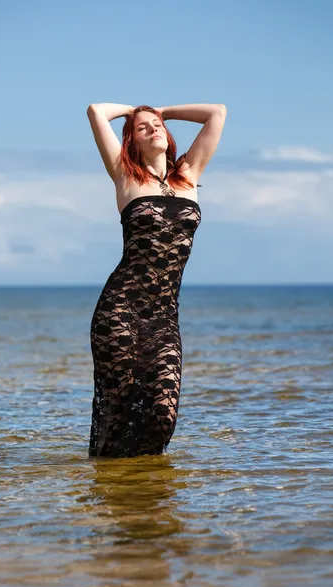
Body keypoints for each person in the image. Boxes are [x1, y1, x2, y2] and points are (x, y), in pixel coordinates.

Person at [87, 102, 227, 457]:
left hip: (164, 316)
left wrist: (162, 111)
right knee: (121, 409)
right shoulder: (125, 175)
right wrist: (134, 110)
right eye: (142, 127)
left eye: (157, 125)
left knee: (162, 413)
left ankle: (145, 490)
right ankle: (115, 491)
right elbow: (96, 111)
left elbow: (217, 113)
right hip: (120, 310)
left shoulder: (189, 175)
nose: (153, 128)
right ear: (131, 140)